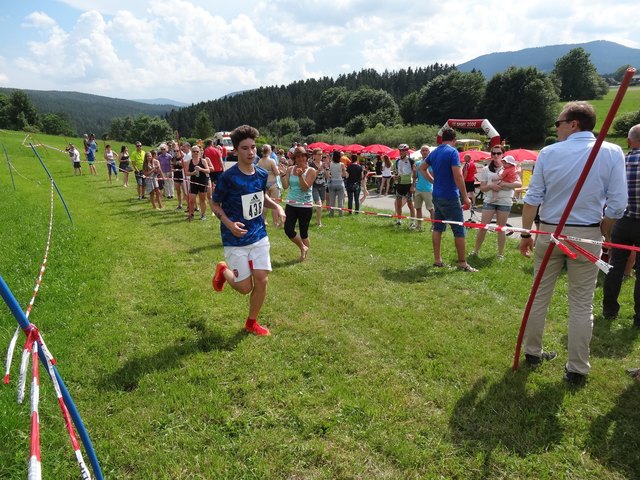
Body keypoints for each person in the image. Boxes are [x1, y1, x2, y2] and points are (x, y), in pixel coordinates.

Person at [519, 101, 627, 385]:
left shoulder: (551, 152)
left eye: (558, 123)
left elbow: (533, 198)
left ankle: (533, 352)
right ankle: (576, 368)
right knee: (581, 303)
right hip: (585, 232)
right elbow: (617, 203)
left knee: (540, 294)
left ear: (573, 124)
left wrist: (526, 233)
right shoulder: (612, 152)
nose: (556, 128)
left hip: (551, 231)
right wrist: (604, 228)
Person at [211, 125, 286, 337]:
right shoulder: (228, 177)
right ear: (236, 151)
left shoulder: (261, 174)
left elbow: (262, 198)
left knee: (262, 278)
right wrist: (229, 224)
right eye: (245, 148)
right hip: (235, 238)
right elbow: (214, 204)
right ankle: (223, 271)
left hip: (259, 234)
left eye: (253, 147)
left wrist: (278, 207)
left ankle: (251, 323)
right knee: (244, 288)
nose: (250, 152)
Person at [421, 128, 476, 272]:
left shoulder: (435, 152)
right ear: (454, 140)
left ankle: (437, 260)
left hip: (437, 195)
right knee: (459, 230)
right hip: (450, 196)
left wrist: (433, 181)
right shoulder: (453, 152)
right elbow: (458, 176)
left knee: (438, 227)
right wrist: (465, 197)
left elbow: (422, 168)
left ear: (442, 139)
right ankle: (463, 263)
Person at [603, 123, 640, 326]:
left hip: (622, 221)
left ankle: (609, 310)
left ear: (629, 141)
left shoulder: (620, 163)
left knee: (615, 267)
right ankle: (639, 317)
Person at [471, 148, 522, 259]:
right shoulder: (485, 169)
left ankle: (500, 254)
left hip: (505, 201)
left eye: (499, 153)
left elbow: (519, 184)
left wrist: (504, 184)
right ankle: (475, 251)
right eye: (493, 153)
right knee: (483, 227)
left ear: (503, 155)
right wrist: (491, 186)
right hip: (489, 200)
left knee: (501, 228)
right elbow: (483, 188)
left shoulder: (513, 168)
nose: (496, 155)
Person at [282, 146, 316, 261]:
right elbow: (285, 186)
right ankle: (303, 247)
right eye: (298, 156)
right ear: (295, 158)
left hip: (305, 206)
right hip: (291, 204)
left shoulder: (311, 171)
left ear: (306, 157)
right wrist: (282, 175)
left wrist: (301, 175)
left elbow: (305, 188)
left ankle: (303, 256)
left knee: (304, 233)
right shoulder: (290, 169)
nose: (300, 158)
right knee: (288, 229)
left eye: (303, 156)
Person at [257, 144, 281, 226]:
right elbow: (277, 173)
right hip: (273, 182)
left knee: (265, 203)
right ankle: (275, 222)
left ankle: (264, 220)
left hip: (264, 183)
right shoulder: (272, 161)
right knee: (274, 203)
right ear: (269, 151)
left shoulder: (260, 161)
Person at [394, 144, 417, 228]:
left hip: (408, 185)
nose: (401, 152)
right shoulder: (397, 161)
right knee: (398, 204)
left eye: (403, 150)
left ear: (407, 151)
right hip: (399, 185)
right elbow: (396, 173)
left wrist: (413, 185)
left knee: (410, 204)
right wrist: (395, 177)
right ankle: (399, 220)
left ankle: (412, 222)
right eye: (400, 150)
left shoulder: (411, 161)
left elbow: (415, 175)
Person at [186, 145, 210, 221]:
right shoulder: (188, 162)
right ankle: (191, 214)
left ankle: (203, 214)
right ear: (192, 152)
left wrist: (201, 169)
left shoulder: (203, 161)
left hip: (203, 181)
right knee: (191, 199)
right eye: (194, 151)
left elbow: (208, 171)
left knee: (202, 199)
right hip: (193, 182)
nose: (196, 153)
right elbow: (186, 173)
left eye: (197, 151)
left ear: (200, 152)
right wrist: (193, 173)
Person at [414, 145, 434, 231]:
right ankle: (419, 226)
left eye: (426, 150)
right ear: (420, 152)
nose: (424, 152)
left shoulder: (431, 163)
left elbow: (433, 177)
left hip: (428, 189)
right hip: (418, 188)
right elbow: (415, 177)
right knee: (418, 208)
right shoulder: (418, 163)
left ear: (429, 152)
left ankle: (434, 226)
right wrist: (414, 171)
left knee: (430, 209)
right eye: (423, 150)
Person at [309, 148, 327, 226]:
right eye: (319, 154)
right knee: (319, 204)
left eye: (321, 154)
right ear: (314, 155)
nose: (321, 156)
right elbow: (311, 177)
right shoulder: (311, 165)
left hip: (323, 186)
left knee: (321, 204)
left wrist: (327, 168)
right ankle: (319, 222)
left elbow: (327, 175)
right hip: (314, 186)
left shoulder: (323, 164)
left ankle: (317, 220)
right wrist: (318, 171)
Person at [327, 150, 346, 217]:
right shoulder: (342, 164)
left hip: (332, 182)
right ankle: (340, 214)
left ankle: (331, 213)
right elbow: (344, 174)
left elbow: (328, 172)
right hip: (340, 182)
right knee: (340, 200)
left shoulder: (330, 163)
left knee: (332, 200)